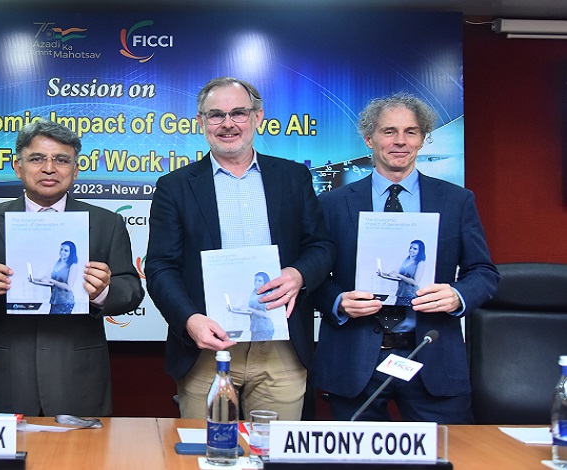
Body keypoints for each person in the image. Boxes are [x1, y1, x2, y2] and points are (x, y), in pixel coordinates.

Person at [145, 77, 334, 420]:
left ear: (257, 117)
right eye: (216, 115)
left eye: (239, 113)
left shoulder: (293, 177)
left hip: (281, 349)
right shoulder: (175, 186)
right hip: (206, 348)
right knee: (207, 448)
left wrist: (298, 274)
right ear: (201, 121)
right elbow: (161, 267)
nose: (228, 123)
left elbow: (320, 246)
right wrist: (189, 320)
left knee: (272, 449)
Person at [311, 92, 499, 423]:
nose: (400, 141)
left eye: (411, 132)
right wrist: (338, 301)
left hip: (431, 354)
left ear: (422, 139)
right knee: (355, 454)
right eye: (389, 131)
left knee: (452, 450)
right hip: (355, 360)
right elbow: (312, 276)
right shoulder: (332, 203)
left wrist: (456, 295)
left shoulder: (456, 200)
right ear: (369, 139)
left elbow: (484, 272)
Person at [0, 120, 144, 417]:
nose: (49, 168)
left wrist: (102, 291)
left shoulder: (106, 223)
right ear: (17, 167)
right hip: (4, 376)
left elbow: (132, 291)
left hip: (77, 377)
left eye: (61, 160)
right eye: (37, 159)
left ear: (75, 170)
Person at [230, 272, 274, 341]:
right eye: (255, 280)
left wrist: (249, 309)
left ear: (265, 282)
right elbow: (251, 312)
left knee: (261, 348)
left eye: (260, 281)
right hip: (255, 328)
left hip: (264, 329)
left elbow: (266, 314)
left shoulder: (268, 294)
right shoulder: (254, 294)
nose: (256, 282)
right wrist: (234, 310)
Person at [42, 241, 79, 314]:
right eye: (61, 249)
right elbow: (54, 283)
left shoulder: (73, 266)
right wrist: (36, 281)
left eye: (66, 250)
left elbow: (68, 287)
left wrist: (50, 280)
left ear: (71, 253)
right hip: (55, 300)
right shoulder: (57, 264)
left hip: (65, 302)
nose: (62, 252)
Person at [390, 240, 426, 305]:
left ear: (420, 251)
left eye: (415, 249)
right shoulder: (405, 261)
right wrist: (387, 276)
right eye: (410, 248)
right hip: (400, 294)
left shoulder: (420, 263)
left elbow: (415, 282)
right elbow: (401, 278)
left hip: (411, 296)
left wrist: (398, 275)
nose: (411, 250)